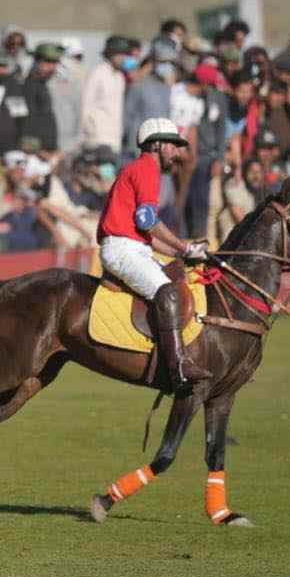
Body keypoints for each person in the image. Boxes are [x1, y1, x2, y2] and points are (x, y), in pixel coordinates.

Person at [96, 117, 209, 391]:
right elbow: (147, 221)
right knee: (168, 293)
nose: (177, 152)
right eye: (172, 145)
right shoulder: (146, 168)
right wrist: (184, 247)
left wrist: (183, 254)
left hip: (134, 247)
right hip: (122, 249)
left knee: (177, 280)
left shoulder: (145, 170)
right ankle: (178, 365)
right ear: (156, 145)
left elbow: (149, 236)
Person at [81, 36, 133, 152]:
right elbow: (85, 106)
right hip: (98, 139)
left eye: (125, 55)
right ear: (111, 54)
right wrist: (91, 133)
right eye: (120, 55)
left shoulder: (120, 77)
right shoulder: (97, 73)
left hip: (115, 138)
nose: (124, 59)